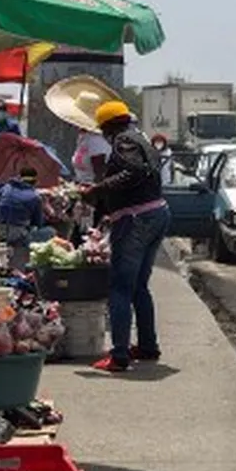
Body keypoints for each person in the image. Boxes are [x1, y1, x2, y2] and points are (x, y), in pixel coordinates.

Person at [79, 100, 171, 372]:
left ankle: (119, 355)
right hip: (157, 213)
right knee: (140, 285)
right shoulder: (141, 138)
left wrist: (97, 190)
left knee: (120, 287)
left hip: (136, 219)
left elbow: (133, 172)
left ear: (109, 128)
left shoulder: (124, 141)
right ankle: (147, 346)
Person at [0, 167, 46, 272]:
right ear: (35, 182)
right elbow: (38, 222)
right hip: (17, 233)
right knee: (45, 233)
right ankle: (18, 270)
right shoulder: (35, 197)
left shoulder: (7, 187)